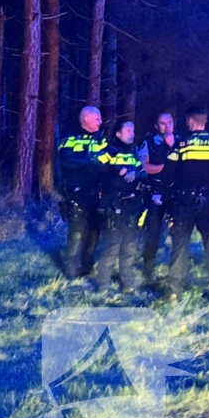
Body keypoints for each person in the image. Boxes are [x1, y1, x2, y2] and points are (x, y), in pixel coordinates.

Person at [164, 105, 209, 301]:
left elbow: (168, 174)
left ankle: (174, 291)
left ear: (190, 121)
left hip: (184, 201)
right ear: (205, 120)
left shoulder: (182, 145)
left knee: (180, 243)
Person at [93, 120, 144, 296]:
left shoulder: (134, 151)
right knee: (111, 247)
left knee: (130, 248)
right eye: (128, 129)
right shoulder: (110, 150)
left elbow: (142, 173)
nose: (132, 133)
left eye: (133, 129)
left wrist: (135, 174)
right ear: (118, 134)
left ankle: (128, 284)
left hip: (131, 207)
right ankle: (103, 286)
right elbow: (98, 166)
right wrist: (117, 170)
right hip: (113, 206)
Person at [57, 106, 107, 279]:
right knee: (76, 231)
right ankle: (71, 269)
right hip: (76, 191)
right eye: (97, 119)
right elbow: (69, 161)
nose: (101, 122)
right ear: (86, 119)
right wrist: (91, 161)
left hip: (98, 191)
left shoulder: (102, 138)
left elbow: (106, 162)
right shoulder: (70, 137)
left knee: (94, 230)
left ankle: (86, 267)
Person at [137, 112, 179, 285]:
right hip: (155, 191)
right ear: (156, 126)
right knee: (153, 231)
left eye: (169, 122)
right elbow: (145, 167)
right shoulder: (148, 143)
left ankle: (177, 269)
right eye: (162, 123)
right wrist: (167, 166)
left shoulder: (181, 141)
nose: (167, 126)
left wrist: (174, 147)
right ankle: (148, 267)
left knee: (180, 231)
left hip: (176, 192)